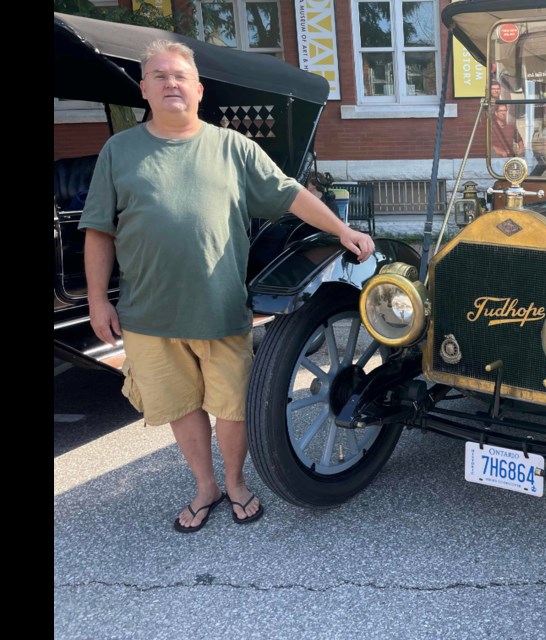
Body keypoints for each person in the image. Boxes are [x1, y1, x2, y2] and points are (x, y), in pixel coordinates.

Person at [79, 40, 375, 533]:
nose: (171, 83)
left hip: (219, 311)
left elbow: (290, 194)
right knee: (180, 407)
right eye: (159, 76)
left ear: (198, 89)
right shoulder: (119, 151)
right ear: (144, 90)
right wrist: (94, 301)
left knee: (231, 408)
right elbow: (98, 231)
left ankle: (235, 483)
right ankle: (205, 487)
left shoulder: (233, 147)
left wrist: (341, 230)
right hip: (147, 316)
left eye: (179, 76)